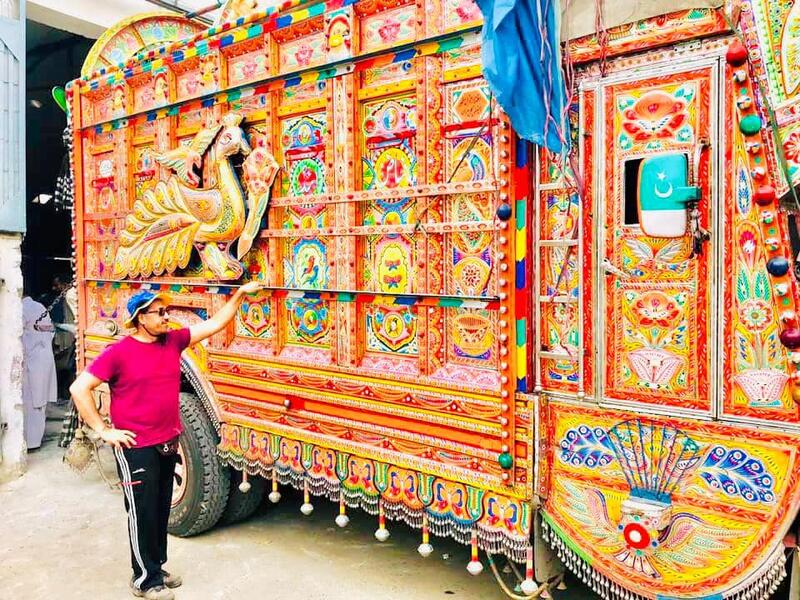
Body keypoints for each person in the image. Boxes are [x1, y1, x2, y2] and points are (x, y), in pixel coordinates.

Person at [70, 282, 264, 600]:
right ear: (140, 318)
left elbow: (215, 324)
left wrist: (239, 296)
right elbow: (80, 389)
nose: (166, 317)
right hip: (136, 447)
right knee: (142, 511)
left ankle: (156, 568)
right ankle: (144, 579)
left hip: (167, 441)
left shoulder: (172, 342)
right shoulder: (118, 353)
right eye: (159, 313)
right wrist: (103, 430)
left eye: (167, 311)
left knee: (160, 509)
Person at [22, 293, 59, 449]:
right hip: (44, 358)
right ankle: (35, 440)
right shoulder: (39, 306)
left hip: (32, 360)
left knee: (30, 402)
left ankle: (31, 442)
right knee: (40, 402)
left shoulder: (21, 309)